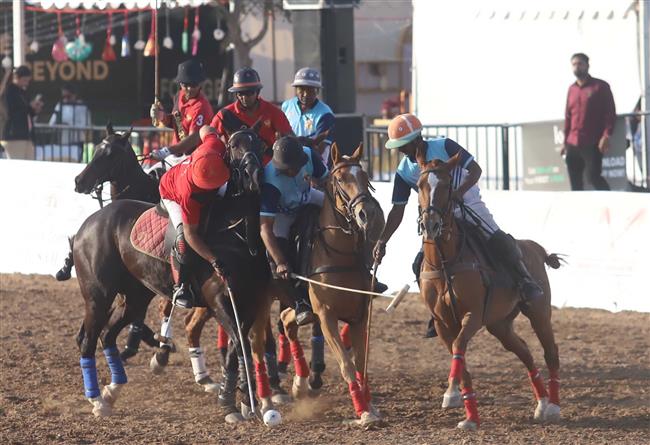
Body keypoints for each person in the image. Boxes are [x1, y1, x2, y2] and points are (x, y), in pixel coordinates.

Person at [373, 114, 544, 326]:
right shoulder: (403, 171)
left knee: (498, 240)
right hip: (437, 216)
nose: (400, 151)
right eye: (398, 146)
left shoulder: (444, 145)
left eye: (404, 145)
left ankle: (525, 281)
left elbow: (476, 170)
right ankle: (437, 310)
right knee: (420, 262)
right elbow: (398, 209)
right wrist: (383, 240)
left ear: (417, 139)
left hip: (468, 203)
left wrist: (458, 193)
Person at [259, 136, 329, 326]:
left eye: (294, 167)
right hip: (283, 214)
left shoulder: (309, 155)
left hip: (308, 197)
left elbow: (328, 181)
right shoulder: (270, 181)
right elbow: (265, 227)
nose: (291, 171)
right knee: (275, 261)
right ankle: (300, 303)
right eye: (287, 169)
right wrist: (280, 261)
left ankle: (363, 270)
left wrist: (319, 183)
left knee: (343, 212)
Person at [158, 126, 230, 308]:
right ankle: (181, 285)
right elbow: (192, 235)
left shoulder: (214, 145)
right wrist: (213, 259)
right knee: (183, 237)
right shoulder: (188, 194)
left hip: (206, 172)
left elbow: (205, 128)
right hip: (171, 192)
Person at [211, 67, 292, 165]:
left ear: (257, 92)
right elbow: (209, 138)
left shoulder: (273, 111)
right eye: (241, 93)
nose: (244, 97)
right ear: (236, 94)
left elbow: (290, 138)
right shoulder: (225, 114)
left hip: (267, 167)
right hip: (235, 169)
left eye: (249, 93)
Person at [562, 53, 615, 191]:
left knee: (593, 177)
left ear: (587, 65)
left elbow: (610, 113)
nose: (577, 67)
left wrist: (606, 135)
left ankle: (609, 205)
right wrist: (565, 142)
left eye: (580, 63)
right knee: (575, 182)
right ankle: (578, 209)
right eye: (574, 64)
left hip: (592, 141)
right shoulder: (571, 89)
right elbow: (568, 116)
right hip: (573, 141)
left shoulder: (600, 86)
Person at [150, 59, 215, 163]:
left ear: (200, 84)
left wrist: (167, 150)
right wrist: (162, 116)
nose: (189, 88)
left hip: (194, 158)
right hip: (176, 156)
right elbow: (175, 122)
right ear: (180, 84)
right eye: (185, 84)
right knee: (150, 174)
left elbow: (193, 139)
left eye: (193, 84)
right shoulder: (178, 96)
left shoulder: (202, 107)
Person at [281, 67, 335, 165]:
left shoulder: (326, 114)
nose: (305, 94)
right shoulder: (286, 106)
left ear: (317, 91)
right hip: (287, 159)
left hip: (313, 162)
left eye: (310, 90)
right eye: (301, 89)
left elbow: (321, 148)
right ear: (296, 90)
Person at [0, 66, 43, 159]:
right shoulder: (8, 91)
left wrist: (34, 109)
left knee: (29, 168)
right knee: (18, 168)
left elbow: (26, 112)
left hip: (26, 135)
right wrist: (28, 106)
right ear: (16, 78)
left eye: (28, 81)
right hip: (13, 136)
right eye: (24, 80)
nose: (26, 83)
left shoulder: (22, 92)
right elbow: (9, 112)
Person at [48, 84, 91, 161]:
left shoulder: (82, 107)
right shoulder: (60, 105)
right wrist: (59, 125)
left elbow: (86, 125)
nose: (66, 99)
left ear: (74, 95)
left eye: (68, 96)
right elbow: (51, 124)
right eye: (63, 97)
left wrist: (68, 125)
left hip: (77, 141)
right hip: (63, 142)